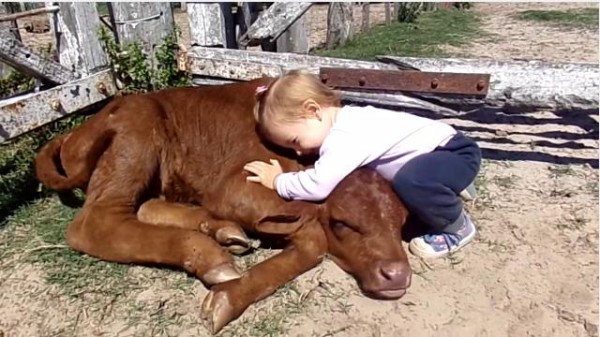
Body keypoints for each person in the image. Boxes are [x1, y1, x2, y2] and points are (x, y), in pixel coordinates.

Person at [244, 69, 481, 259]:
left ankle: (456, 227)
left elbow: (318, 185)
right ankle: (450, 183)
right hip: (441, 152)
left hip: (454, 153)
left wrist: (278, 181)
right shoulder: (349, 120)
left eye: (295, 140)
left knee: (412, 181)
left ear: (313, 111)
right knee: (414, 176)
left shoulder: (344, 138)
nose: (298, 151)